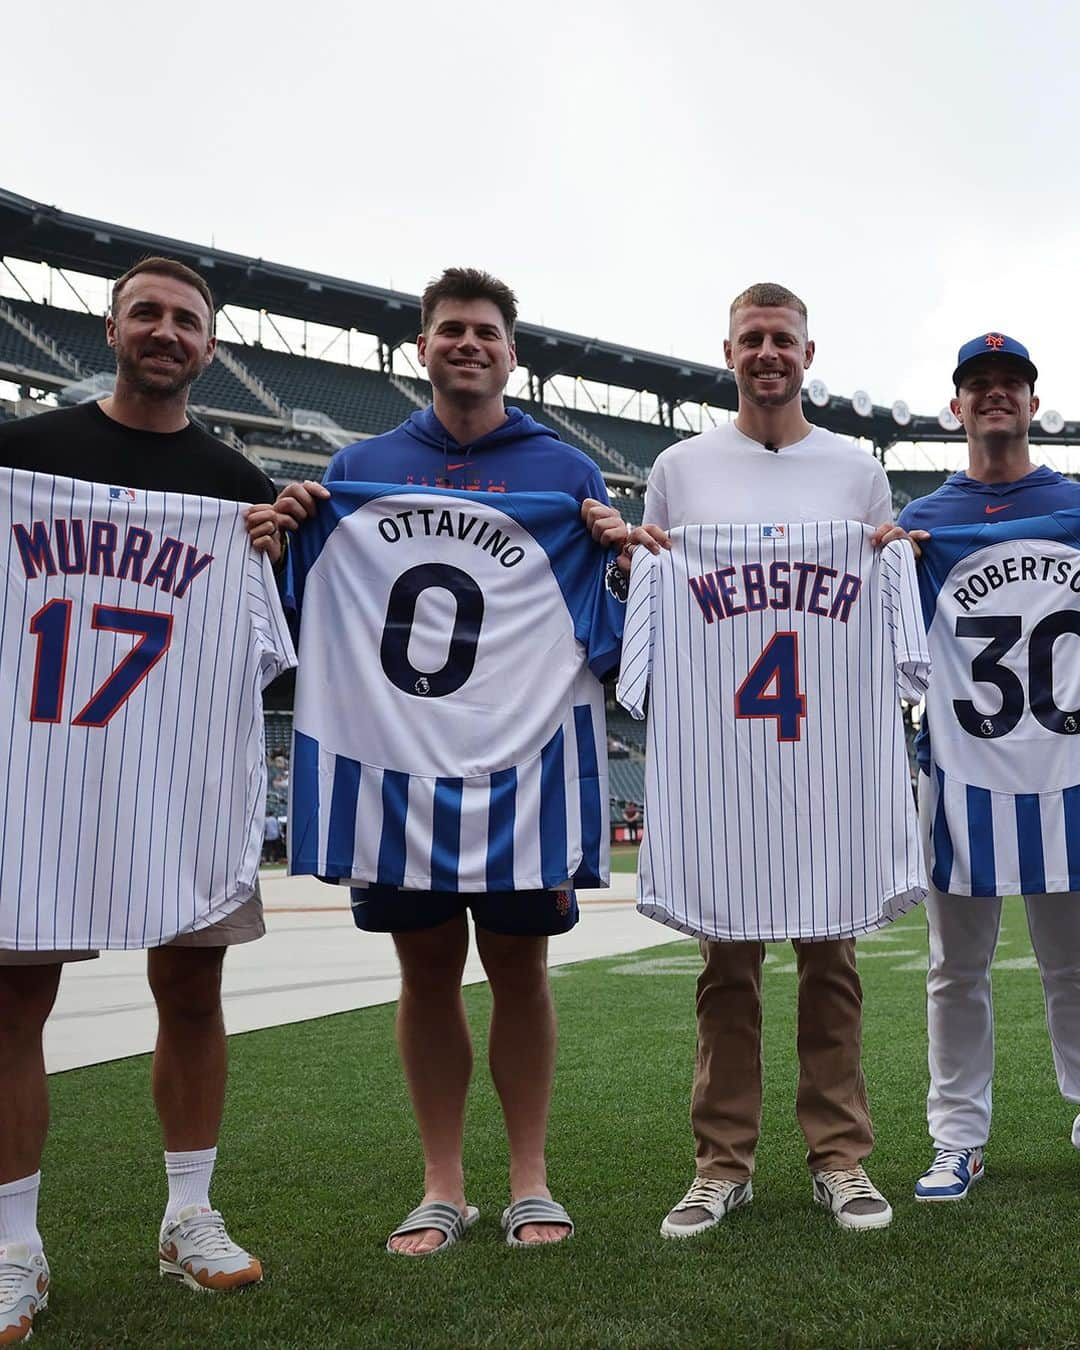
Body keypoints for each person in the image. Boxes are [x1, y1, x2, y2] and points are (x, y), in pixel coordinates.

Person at [254, 267, 628, 1255]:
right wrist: (284, 533)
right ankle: (442, 1185)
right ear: (420, 348)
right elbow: (300, 618)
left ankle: (531, 1181)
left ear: (513, 353)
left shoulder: (567, 475)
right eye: (451, 329)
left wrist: (620, 560)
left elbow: (612, 633)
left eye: (486, 331)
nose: (469, 343)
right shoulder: (356, 465)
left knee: (521, 968)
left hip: (525, 768)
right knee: (424, 973)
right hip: (396, 769)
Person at [0, 257, 280, 1344]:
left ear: (210, 347)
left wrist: (273, 543)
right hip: (39, 770)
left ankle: (188, 1214)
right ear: (109, 330)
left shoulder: (237, 484)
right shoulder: (19, 454)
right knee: (14, 1004)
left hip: (179, 777)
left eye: (186, 321)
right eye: (147, 314)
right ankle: (15, 1243)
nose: (166, 332)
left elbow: (270, 650)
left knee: (195, 991)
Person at [633, 282, 904, 1236]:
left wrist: (890, 556)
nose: (767, 354)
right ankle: (723, 1163)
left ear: (808, 351)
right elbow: (655, 587)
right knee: (727, 969)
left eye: (781, 339)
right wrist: (646, 556)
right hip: (728, 764)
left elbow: (885, 586)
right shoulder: (679, 466)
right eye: (752, 339)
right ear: (729, 351)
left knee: (833, 964)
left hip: (824, 757)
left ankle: (840, 1157)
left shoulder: (857, 470)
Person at [898, 333, 1080, 1201]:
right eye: (981, 385)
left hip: (1067, 764)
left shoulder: (1077, 504)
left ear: (1033, 403)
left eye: (1010, 384)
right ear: (958, 405)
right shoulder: (922, 522)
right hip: (964, 770)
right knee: (953, 967)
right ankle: (957, 1137)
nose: (996, 395)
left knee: (1074, 964)